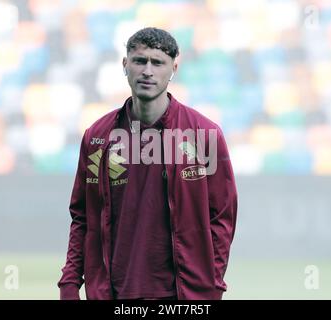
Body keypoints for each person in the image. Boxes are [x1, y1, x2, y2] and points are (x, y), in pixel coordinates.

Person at [58, 27, 238, 300]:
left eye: (158, 62)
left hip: (184, 296)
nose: (148, 71)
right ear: (125, 65)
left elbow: (222, 218)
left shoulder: (204, 135)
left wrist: (210, 284)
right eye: (140, 61)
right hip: (113, 293)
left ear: (174, 68)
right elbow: (82, 218)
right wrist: (70, 284)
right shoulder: (97, 137)